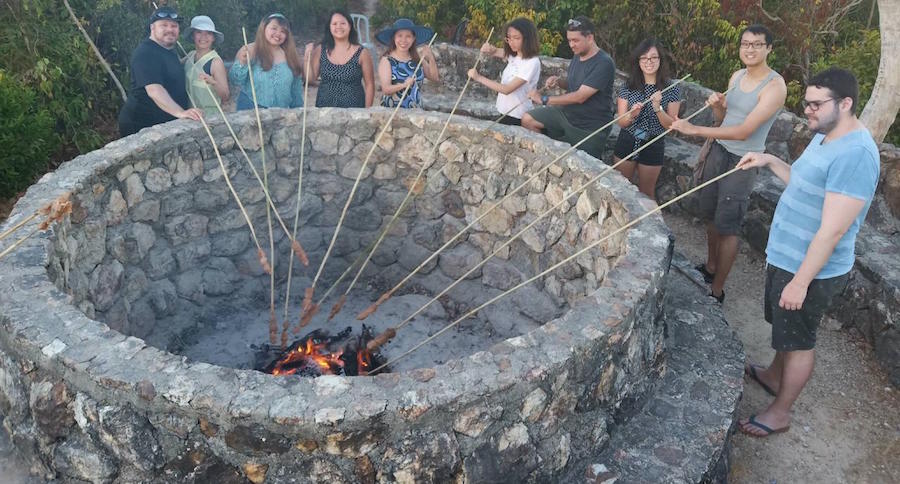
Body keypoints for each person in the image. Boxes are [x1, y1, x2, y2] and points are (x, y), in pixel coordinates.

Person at [734, 68, 879, 438]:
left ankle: (780, 412)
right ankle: (772, 375)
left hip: (810, 268)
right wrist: (768, 160)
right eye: (806, 103)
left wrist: (801, 282)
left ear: (845, 104)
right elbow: (802, 182)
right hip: (788, 255)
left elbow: (833, 229)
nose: (808, 111)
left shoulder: (857, 154)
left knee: (798, 340)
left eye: (816, 104)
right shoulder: (825, 134)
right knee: (785, 331)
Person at [670, 24, 787, 304]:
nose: (749, 49)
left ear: (769, 48)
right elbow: (723, 121)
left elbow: (745, 131)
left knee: (729, 226)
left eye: (757, 44)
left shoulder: (774, 86)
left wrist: (695, 130)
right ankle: (710, 268)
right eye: (745, 43)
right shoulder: (737, 76)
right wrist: (717, 106)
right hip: (718, 151)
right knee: (710, 214)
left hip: (743, 160)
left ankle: (717, 291)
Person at [520, 16, 615, 160]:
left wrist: (544, 99)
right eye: (569, 40)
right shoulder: (578, 55)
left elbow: (580, 96)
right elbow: (574, 85)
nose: (571, 45)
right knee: (528, 119)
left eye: (575, 40)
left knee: (586, 167)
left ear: (589, 38)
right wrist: (559, 82)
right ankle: (544, 159)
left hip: (588, 126)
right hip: (566, 114)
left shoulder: (604, 63)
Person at [613, 38, 682, 201]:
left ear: (660, 60)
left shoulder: (671, 88)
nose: (648, 62)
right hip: (628, 139)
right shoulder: (628, 86)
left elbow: (671, 126)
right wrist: (631, 115)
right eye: (644, 58)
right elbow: (621, 122)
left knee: (646, 194)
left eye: (653, 57)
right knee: (620, 188)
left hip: (654, 142)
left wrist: (658, 108)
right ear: (638, 61)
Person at [118, 6, 201, 137]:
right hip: (141, 126)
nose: (169, 29)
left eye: (174, 26)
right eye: (164, 25)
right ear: (152, 28)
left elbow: (169, 68)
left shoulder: (168, 49)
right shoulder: (145, 53)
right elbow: (154, 90)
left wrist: (192, 56)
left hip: (164, 122)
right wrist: (181, 113)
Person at [468, 17, 541, 126]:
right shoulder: (515, 55)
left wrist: (479, 78)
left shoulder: (532, 62)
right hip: (503, 110)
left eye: (516, 38)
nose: (511, 42)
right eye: (509, 38)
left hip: (517, 115)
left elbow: (507, 89)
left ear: (527, 39)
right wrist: (490, 49)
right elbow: (497, 51)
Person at [230, 13, 305, 110]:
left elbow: (296, 90)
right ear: (264, 28)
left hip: (280, 114)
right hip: (250, 109)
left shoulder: (291, 56)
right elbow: (235, 80)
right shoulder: (250, 50)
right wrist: (242, 63)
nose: (278, 33)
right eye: (274, 28)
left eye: (283, 31)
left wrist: (298, 112)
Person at [305, 10, 375, 108]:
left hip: (354, 111)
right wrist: (307, 58)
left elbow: (370, 85)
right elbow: (311, 79)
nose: (339, 26)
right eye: (334, 24)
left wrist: (367, 112)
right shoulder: (320, 49)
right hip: (325, 110)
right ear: (329, 27)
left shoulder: (362, 53)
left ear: (350, 26)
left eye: (343, 23)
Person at [375, 18, 439, 109]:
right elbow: (386, 89)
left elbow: (434, 77)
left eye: (408, 36)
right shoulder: (387, 60)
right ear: (394, 38)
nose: (403, 40)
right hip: (393, 112)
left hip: (416, 111)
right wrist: (404, 85)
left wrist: (431, 58)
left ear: (413, 39)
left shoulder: (417, 59)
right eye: (400, 36)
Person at [183, 15, 229, 114]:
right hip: (191, 116)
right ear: (193, 36)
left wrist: (213, 82)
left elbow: (225, 96)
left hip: (210, 118)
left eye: (208, 33)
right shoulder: (190, 56)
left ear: (213, 38)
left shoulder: (215, 62)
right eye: (199, 32)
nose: (203, 37)